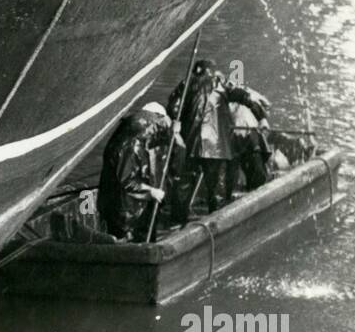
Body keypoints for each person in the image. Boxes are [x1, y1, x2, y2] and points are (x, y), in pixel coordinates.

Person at [168, 60, 270, 215]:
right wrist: (261, 117)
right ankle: (214, 213)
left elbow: (173, 107)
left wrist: (176, 123)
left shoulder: (185, 84)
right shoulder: (220, 82)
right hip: (214, 143)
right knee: (214, 182)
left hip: (190, 141)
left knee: (186, 179)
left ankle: (179, 217)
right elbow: (244, 96)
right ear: (212, 71)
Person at [97, 102, 178, 241]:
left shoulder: (133, 131)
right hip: (127, 215)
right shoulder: (134, 142)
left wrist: (173, 132)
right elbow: (128, 181)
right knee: (134, 241)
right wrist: (151, 192)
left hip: (126, 208)